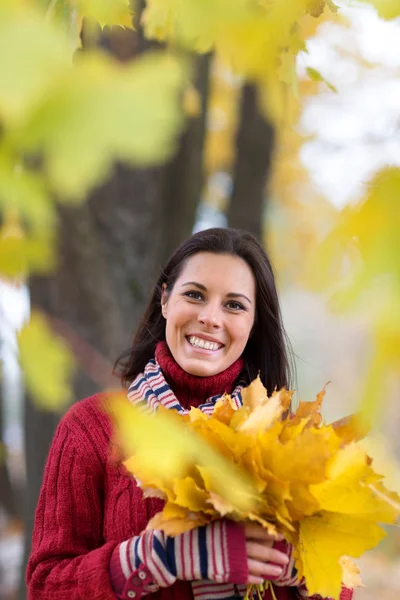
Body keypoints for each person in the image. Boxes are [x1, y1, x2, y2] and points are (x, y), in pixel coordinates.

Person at [27, 228, 353, 600]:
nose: (210, 318)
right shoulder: (90, 429)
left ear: (253, 323)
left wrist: (297, 564)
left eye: (234, 305)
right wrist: (161, 557)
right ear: (165, 300)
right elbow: (46, 586)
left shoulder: (284, 437)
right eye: (194, 295)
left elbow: (342, 587)